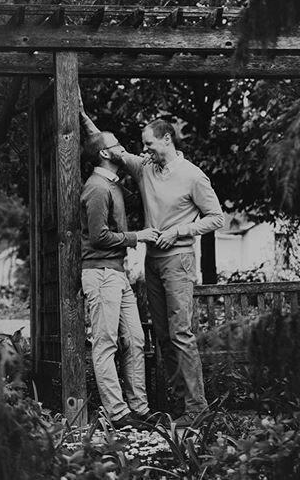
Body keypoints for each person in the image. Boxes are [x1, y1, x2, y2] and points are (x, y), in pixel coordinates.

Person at [80, 105, 224, 427]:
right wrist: (81, 113)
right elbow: (105, 146)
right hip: (153, 262)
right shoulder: (145, 167)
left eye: (149, 144)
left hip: (179, 261)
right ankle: (180, 405)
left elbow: (217, 218)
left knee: (181, 334)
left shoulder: (193, 176)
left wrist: (180, 230)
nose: (143, 150)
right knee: (162, 336)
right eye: (142, 146)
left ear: (167, 140)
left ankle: (197, 408)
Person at [80, 130, 160, 429]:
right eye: (117, 145)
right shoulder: (97, 189)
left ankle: (139, 408)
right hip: (100, 273)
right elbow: (99, 237)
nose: (124, 148)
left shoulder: (113, 186)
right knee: (106, 343)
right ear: (103, 153)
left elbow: (140, 194)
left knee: (136, 340)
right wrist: (136, 237)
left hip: (117, 273)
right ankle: (117, 413)